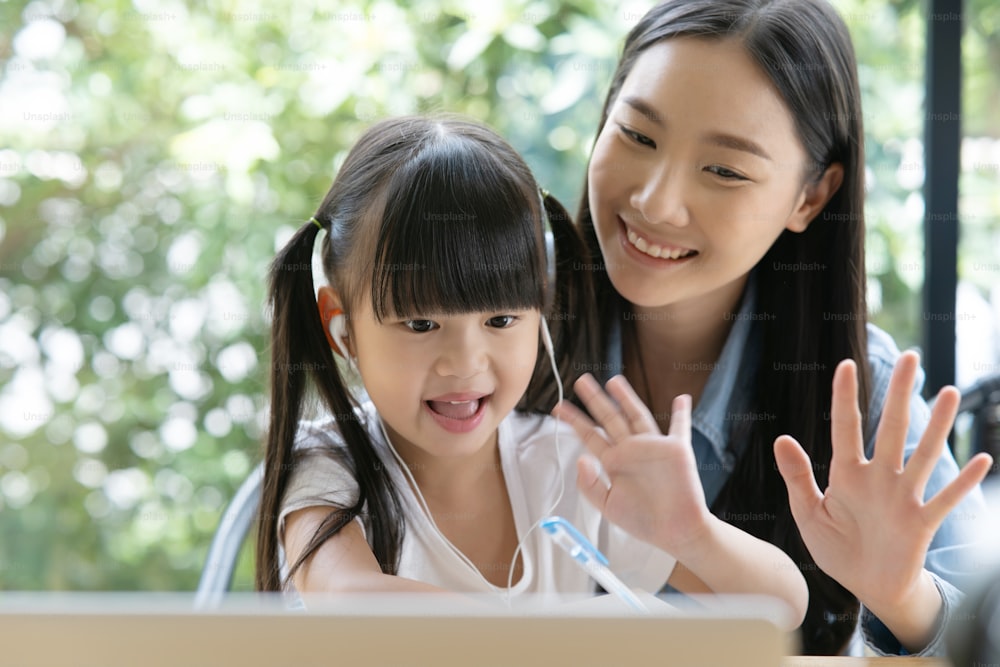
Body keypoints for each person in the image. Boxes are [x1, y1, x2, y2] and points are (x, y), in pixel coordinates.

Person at [254, 115, 809, 626]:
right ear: (341, 327)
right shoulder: (325, 466)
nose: (465, 364)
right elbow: (350, 598)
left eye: (500, 319)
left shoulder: (565, 464)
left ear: (540, 308)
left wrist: (694, 534)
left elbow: (781, 608)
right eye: (420, 325)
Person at [570, 0, 995, 655]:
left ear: (811, 196)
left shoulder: (860, 393)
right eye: (637, 134)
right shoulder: (494, 336)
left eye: (723, 170)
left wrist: (902, 596)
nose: (655, 201)